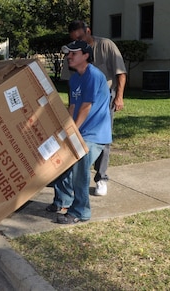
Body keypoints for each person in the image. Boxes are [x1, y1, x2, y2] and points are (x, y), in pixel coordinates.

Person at [61, 20, 127, 196]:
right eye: (74, 40)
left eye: (81, 38)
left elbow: (121, 73)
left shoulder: (106, 45)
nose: (77, 44)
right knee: (78, 136)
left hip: (105, 100)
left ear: (88, 31)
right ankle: (72, 177)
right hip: (81, 99)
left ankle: (101, 178)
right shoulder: (73, 52)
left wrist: (119, 97)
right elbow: (70, 83)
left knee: (101, 139)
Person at [52, 40, 112, 224]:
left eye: (73, 53)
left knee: (79, 169)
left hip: (95, 133)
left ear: (86, 56)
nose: (69, 56)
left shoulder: (93, 75)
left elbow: (86, 106)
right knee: (61, 160)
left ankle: (80, 211)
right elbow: (73, 106)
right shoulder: (75, 78)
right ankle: (63, 201)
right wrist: (66, 128)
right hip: (80, 130)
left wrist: (73, 131)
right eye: (68, 53)